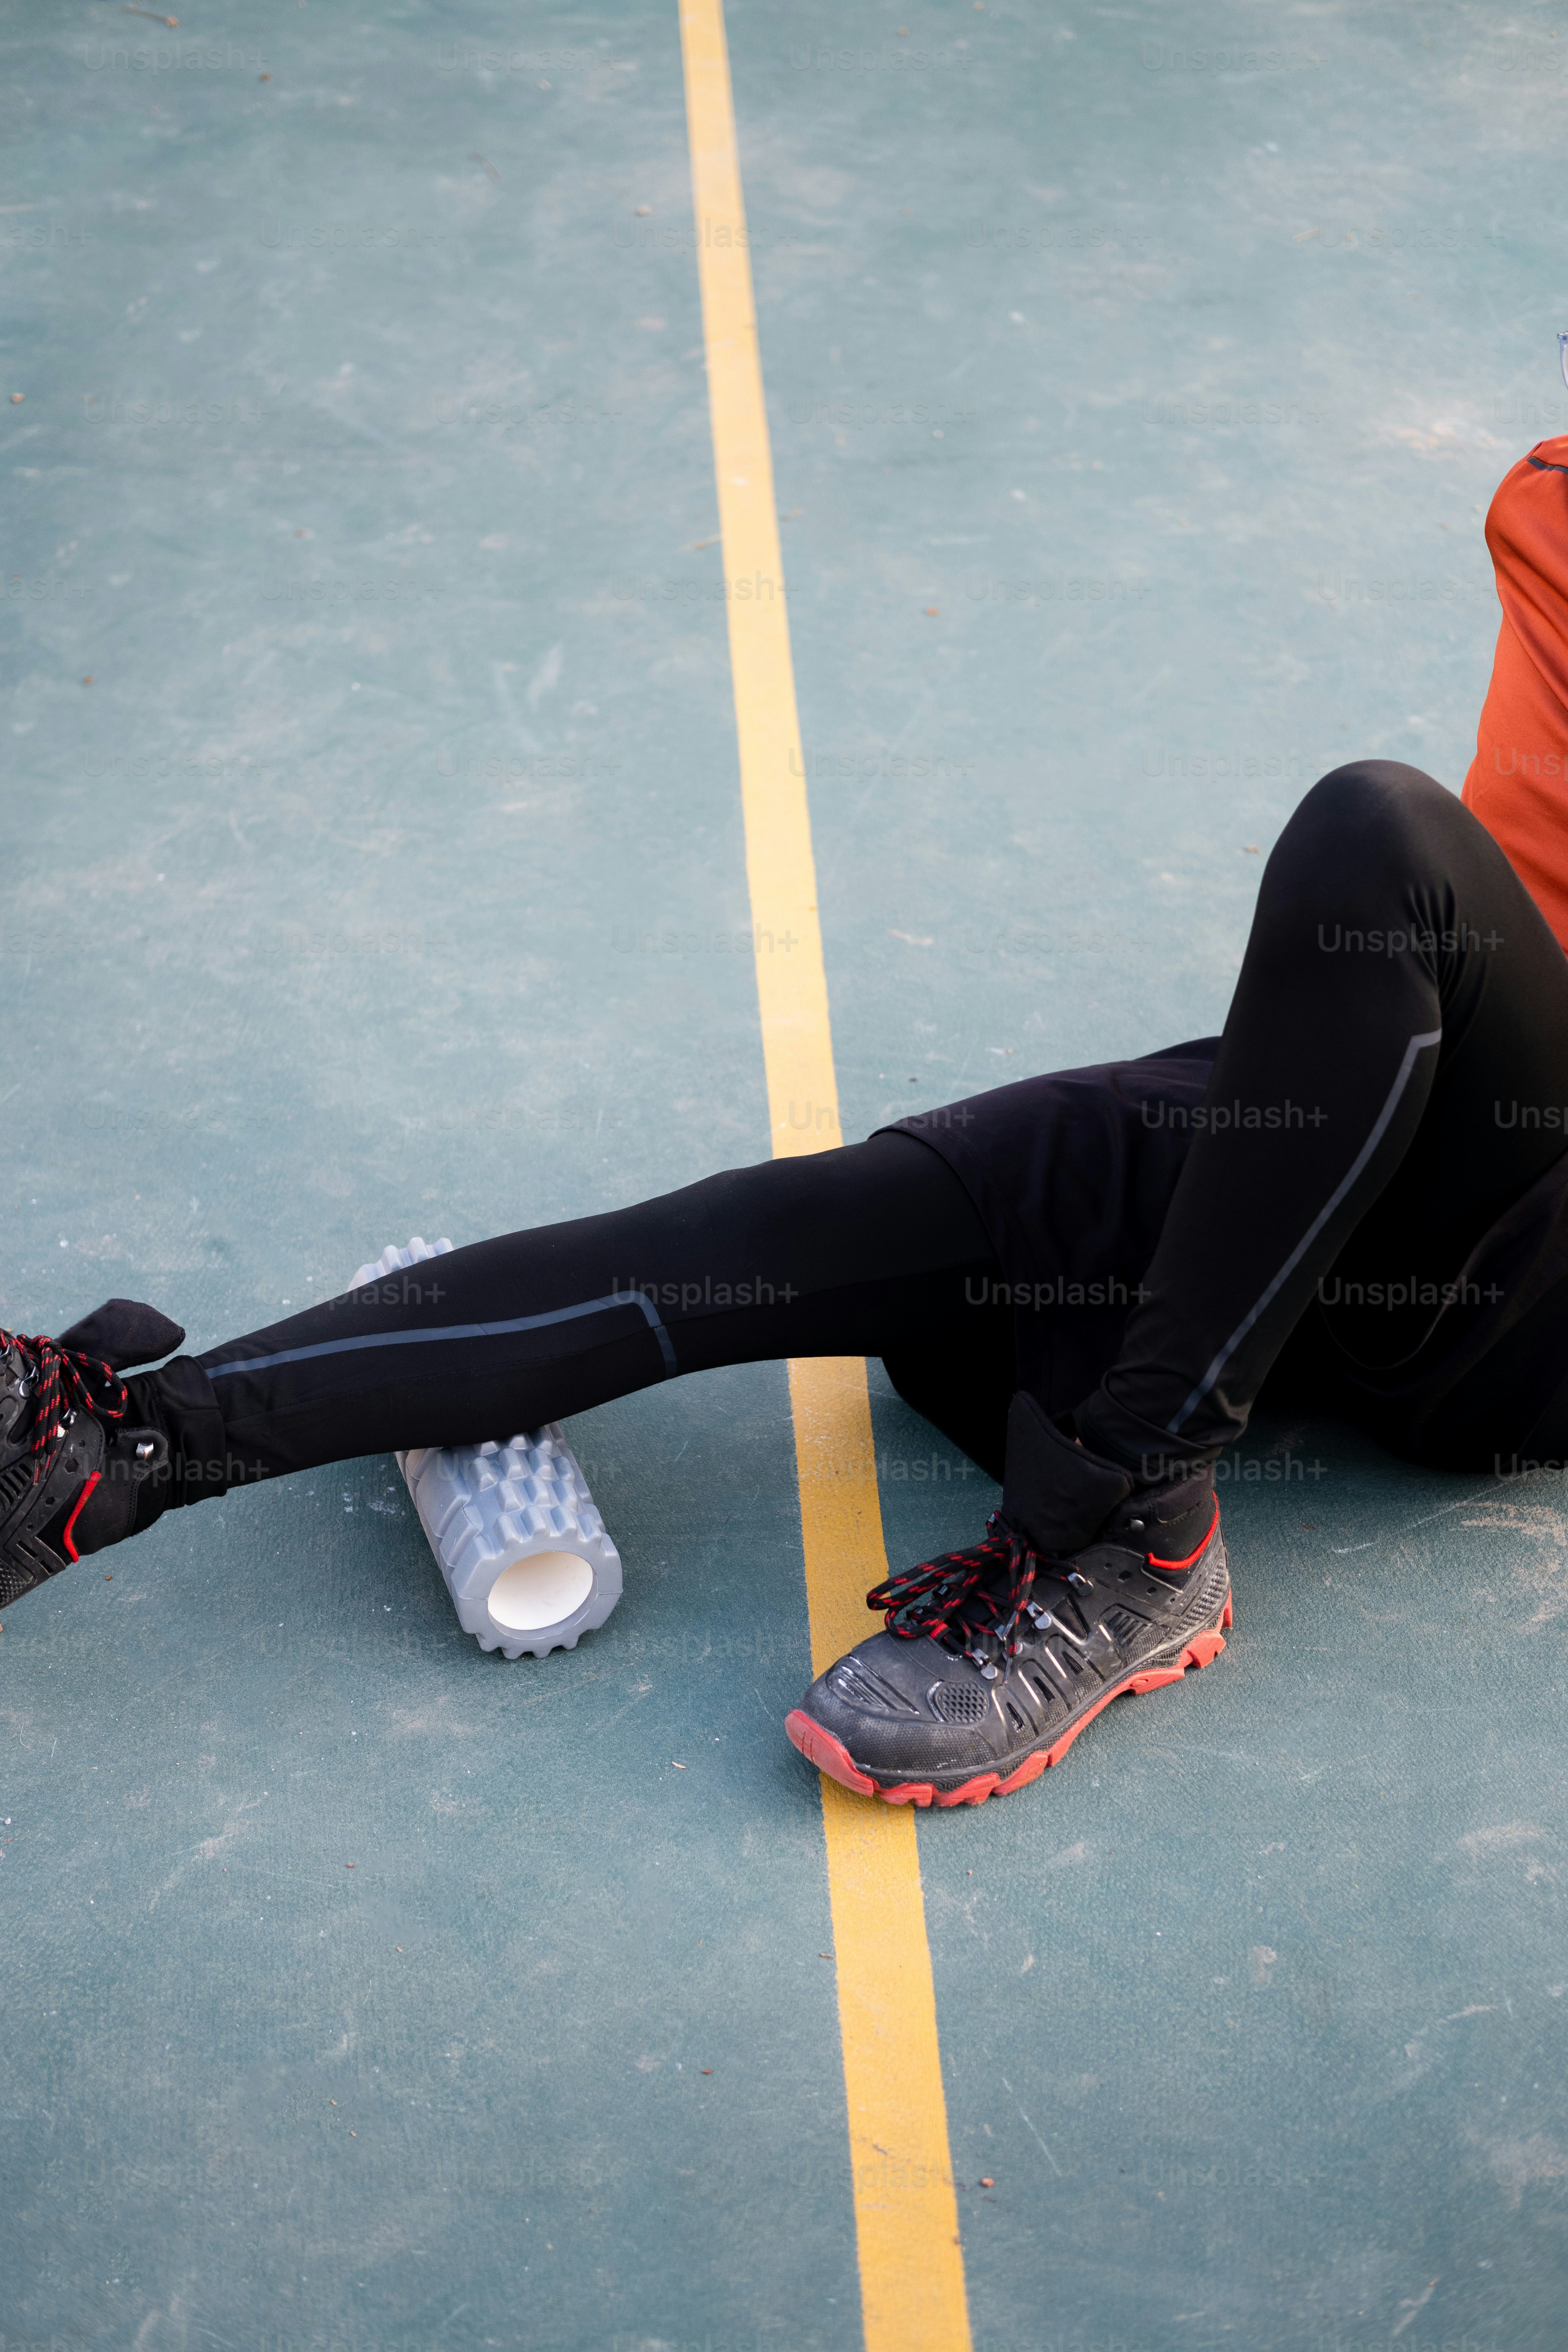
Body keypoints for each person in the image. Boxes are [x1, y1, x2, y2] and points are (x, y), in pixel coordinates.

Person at [9, 448, 1568, 1814]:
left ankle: (1129, 1529)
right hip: (1397, 1101)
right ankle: (115, 1453)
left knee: (1379, 839)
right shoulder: (1547, 501)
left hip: (1534, 1270)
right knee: (814, 1252)